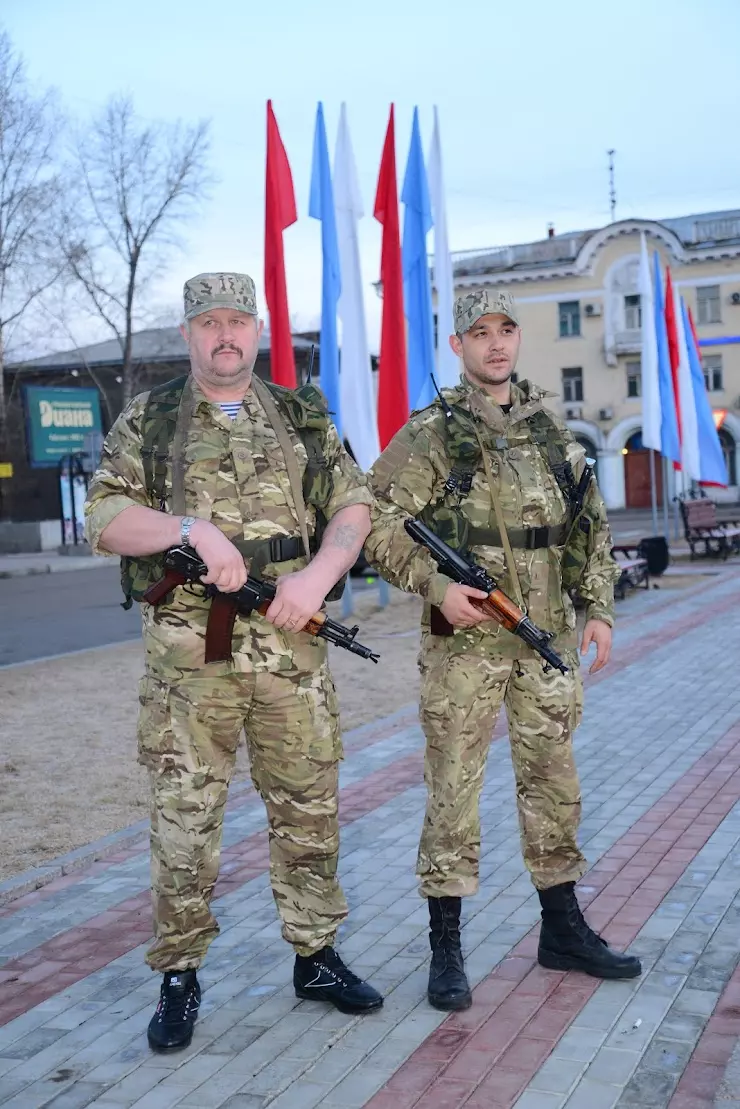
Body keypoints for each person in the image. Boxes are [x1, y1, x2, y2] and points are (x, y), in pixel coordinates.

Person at [85, 272, 383, 1054]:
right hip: (191, 664)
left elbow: (354, 504)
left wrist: (318, 578)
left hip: (293, 651)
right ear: (188, 335)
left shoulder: (301, 413)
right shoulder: (148, 420)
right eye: (208, 321)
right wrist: (191, 528)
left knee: (309, 810)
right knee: (184, 824)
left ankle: (315, 956)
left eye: (238, 321)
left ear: (258, 330)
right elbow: (106, 516)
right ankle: (179, 975)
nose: (225, 334)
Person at [365, 288, 641, 1012]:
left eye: (506, 330)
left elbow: (590, 525)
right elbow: (375, 522)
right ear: (456, 344)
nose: (495, 344)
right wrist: (432, 584)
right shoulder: (432, 434)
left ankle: (562, 928)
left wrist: (601, 610)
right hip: (465, 646)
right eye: (479, 332)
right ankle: (446, 946)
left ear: (519, 338)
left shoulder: (552, 427)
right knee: (453, 787)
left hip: (544, 637)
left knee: (554, 783)